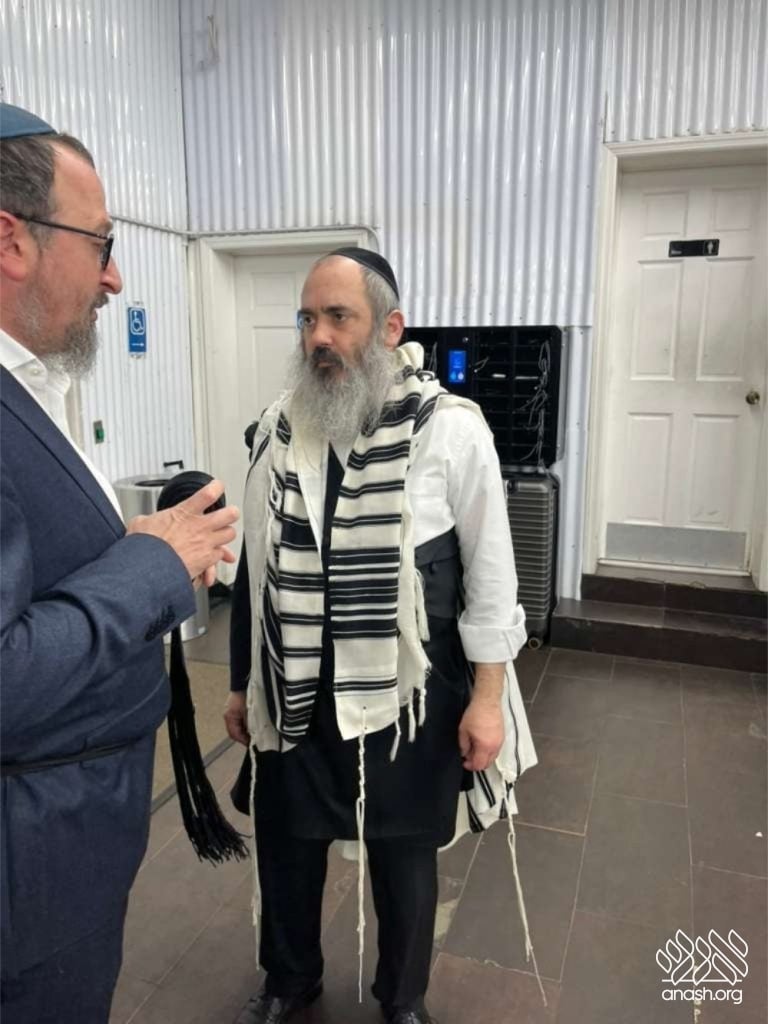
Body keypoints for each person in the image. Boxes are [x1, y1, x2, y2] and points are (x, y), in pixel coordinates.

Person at [225, 247, 537, 1024]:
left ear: (390, 328)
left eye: (339, 317)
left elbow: (492, 578)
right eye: (307, 319)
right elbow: (256, 572)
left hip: (407, 697)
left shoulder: (452, 431)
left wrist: (488, 700)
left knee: (403, 855)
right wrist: (239, 684)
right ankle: (289, 979)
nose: (318, 337)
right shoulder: (276, 430)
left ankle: (403, 999)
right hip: (293, 686)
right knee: (287, 845)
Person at [0, 103, 239, 1023]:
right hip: (31, 882)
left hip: (71, 841)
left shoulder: (32, 387)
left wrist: (150, 550)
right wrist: (152, 563)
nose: (114, 276)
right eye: (99, 243)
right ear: (12, 241)